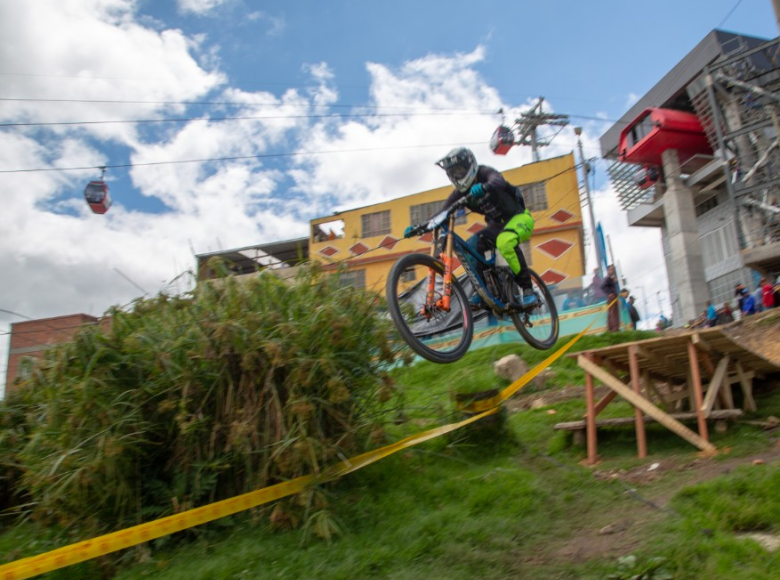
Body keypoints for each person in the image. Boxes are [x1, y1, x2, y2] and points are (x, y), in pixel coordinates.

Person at [406, 147, 537, 309]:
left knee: (505, 242)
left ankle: (528, 289)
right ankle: (483, 292)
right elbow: (443, 212)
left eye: (459, 170)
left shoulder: (484, 172)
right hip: (496, 226)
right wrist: (420, 227)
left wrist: (485, 186)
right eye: (452, 173)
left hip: (519, 217)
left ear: (470, 165)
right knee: (471, 247)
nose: (457, 175)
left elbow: (498, 180)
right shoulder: (459, 193)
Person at [600, 264, 620, 331]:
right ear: (608, 270)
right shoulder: (607, 278)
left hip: (614, 297)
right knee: (613, 312)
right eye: (611, 269)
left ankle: (614, 327)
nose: (612, 271)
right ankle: (614, 328)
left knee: (614, 312)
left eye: (613, 269)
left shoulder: (611, 279)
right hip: (611, 297)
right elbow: (602, 286)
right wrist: (609, 293)